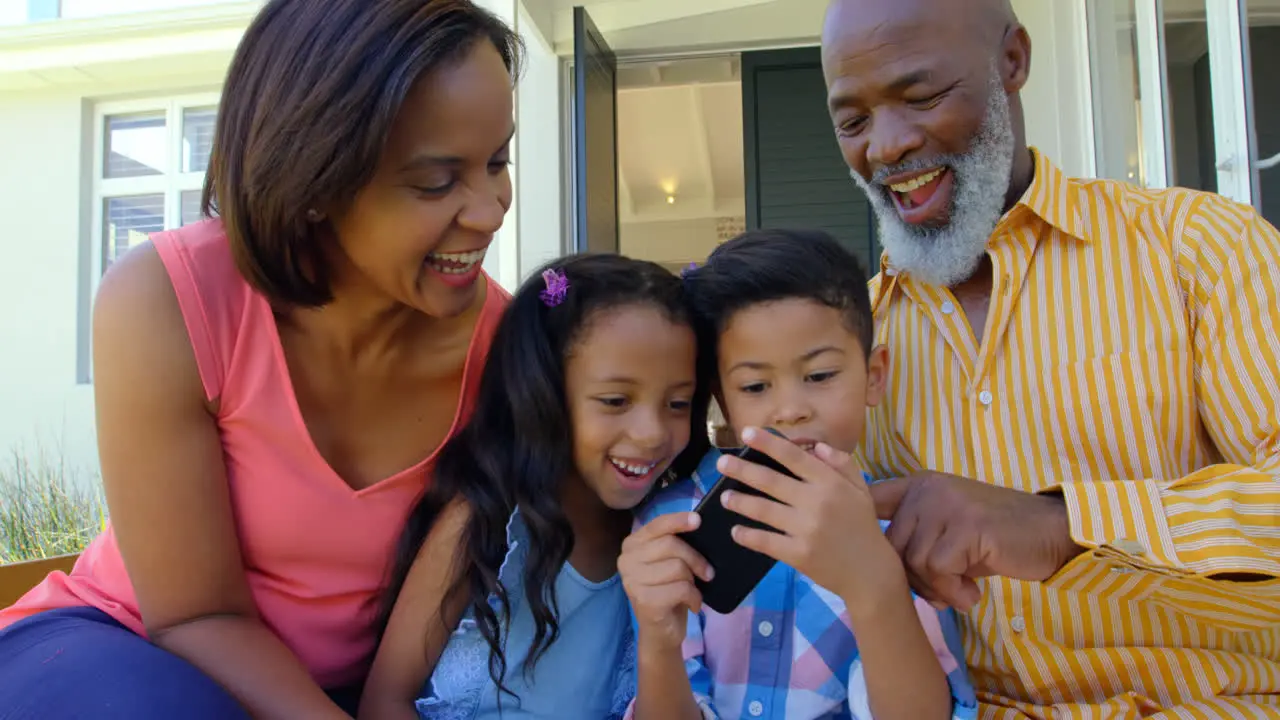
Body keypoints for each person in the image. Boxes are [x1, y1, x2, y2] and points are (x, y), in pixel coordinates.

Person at [0, 1, 520, 717]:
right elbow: (191, 615)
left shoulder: (505, 341)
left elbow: (566, 296)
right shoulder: (168, 299)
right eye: (436, 181)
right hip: (125, 651)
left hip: (335, 691)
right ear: (314, 180)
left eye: (498, 161)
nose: (491, 210)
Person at [820, 0, 1280, 717]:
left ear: (1012, 62)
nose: (885, 146)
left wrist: (1061, 528)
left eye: (922, 96)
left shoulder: (1199, 250)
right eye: (852, 122)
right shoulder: (853, 343)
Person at [619, 230, 978, 720]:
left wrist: (872, 581)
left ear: (874, 376)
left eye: (820, 375)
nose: (789, 410)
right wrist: (659, 645)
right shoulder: (673, 524)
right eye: (755, 385)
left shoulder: (899, 530)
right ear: (723, 400)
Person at [359, 254, 712, 720]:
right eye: (615, 400)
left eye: (677, 402)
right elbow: (384, 702)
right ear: (542, 394)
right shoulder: (484, 524)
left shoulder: (673, 537)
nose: (651, 432)